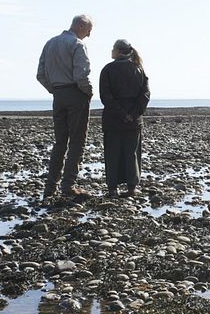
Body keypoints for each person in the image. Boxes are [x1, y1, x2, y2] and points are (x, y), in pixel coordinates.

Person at [36, 14, 94, 199]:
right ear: (81, 25)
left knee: (60, 142)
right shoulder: (77, 44)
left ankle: (50, 187)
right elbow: (81, 76)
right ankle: (68, 185)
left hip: (58, 95)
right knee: (77, 141)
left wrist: (54, 89)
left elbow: (40, 74)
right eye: (89, 30)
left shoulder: (50, 43)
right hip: (76, 93)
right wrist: (88, 91)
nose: (89, 35)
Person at [99, 39, 150, 197]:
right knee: (132, 153)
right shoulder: (139, 69)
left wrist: (121, 113)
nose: (111, 51)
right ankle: (132, 188)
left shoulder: (107, 69)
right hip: (134, 120)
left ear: (119, 51)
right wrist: (133, 114)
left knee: (112, 153)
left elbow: (105, 96)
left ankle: (113, 189)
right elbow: (145, 95)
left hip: (113, 119)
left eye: (113, 48)